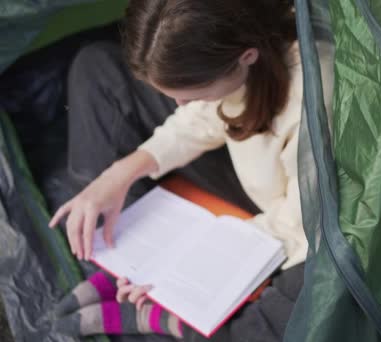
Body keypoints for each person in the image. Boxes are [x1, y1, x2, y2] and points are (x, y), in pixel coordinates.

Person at [48, 0, 333, 340]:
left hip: (304, 220)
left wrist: (193, 264)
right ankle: (133, 259)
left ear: (246, 58)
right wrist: (119, 174)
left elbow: (302, 225)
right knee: (95, 65)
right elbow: (205, 115)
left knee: (293, 320)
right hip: (256, 176)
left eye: (190, 93)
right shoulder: (236, 43)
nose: (179, 104)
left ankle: (165, 316)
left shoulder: (314, 103)